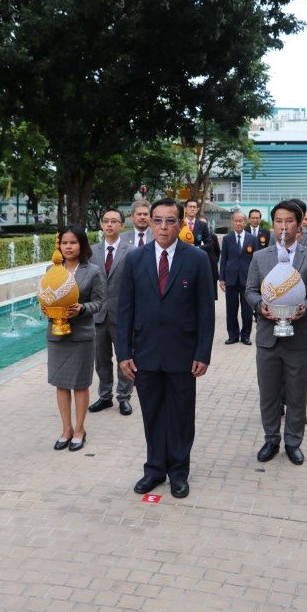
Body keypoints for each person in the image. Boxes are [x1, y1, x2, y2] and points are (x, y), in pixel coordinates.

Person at [117, 197, 215, 499]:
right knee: (153, 414)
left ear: (180, 223)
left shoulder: (197, 259)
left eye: (170, 221)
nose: (163, 227)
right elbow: (125, 309)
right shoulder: (135, 259)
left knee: (182, 415)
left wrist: (202, 353)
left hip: (183, 354)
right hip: (145, 353)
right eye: (157, 220)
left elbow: (206, 311)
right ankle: (155, 469)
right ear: (149, 222)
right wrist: (123, 353)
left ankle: (178, 473)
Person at [245, 200, 307, 466]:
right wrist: (260, 306)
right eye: (279, 221)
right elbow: (250, 290)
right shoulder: (261, 257)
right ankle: (271, 439)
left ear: (299, 223)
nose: (284, 226)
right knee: (268, 393)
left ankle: (293, 442)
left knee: (296, 393)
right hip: (268, 337)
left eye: (289, 221)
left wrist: (306, 307)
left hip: (299, 338)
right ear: (273, 224)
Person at [45, 225, 104, 452]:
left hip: (81, 336)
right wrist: (46, 308)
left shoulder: (93, 271)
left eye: (73, 242)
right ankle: (66, 429)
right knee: (61, 384)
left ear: (81, 244)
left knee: (79, 385)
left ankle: (79, 429)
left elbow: (99, 302)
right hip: (56, 335)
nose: (68, 247)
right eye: (64, 243)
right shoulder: (51, 269)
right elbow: (46, 295)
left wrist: (82, 309)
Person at [89, 208, 135, 416]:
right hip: (98, 315)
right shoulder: (91, 252)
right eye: (106, 221)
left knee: (125, 358)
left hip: (123, 315)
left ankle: (124, 397)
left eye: (114, 221)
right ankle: (105, 396)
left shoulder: (132, 251)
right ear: (101, 224)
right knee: (101, 360)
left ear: (122, 225)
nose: (109, 224)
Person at [219, 211, 257, 345]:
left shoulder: (252, 239)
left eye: (241, 221)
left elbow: (255, 260)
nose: (238, 223)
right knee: (231, 309)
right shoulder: (227, 239)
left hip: (247, 280)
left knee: (247, 310)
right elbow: (223, 259)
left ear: (245, 222)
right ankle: (233, 335)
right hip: (230, 279)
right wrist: (221, 278)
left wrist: (256, 279)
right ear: (232, 222)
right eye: (236, 221)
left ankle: (245, 336)